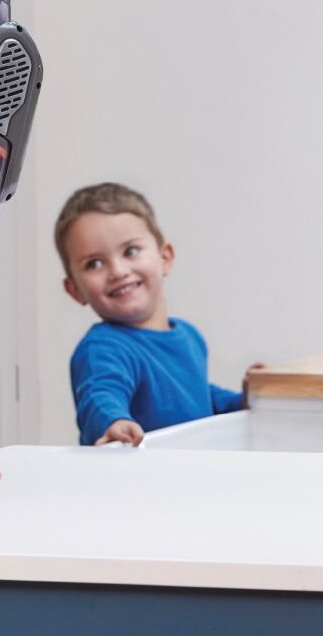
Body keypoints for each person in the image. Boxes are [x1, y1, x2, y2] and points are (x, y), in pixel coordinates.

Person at [55, 181, 258, 447]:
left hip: (190, 477)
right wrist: (113, 422)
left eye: (130, 251)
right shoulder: (102, 348)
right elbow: (99, 394)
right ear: (75, 290)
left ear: (165, 258)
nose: (117, 270)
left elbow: (196, 396)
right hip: (136, 482)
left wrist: (243, 401)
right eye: (94, 263)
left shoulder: (188, 335)